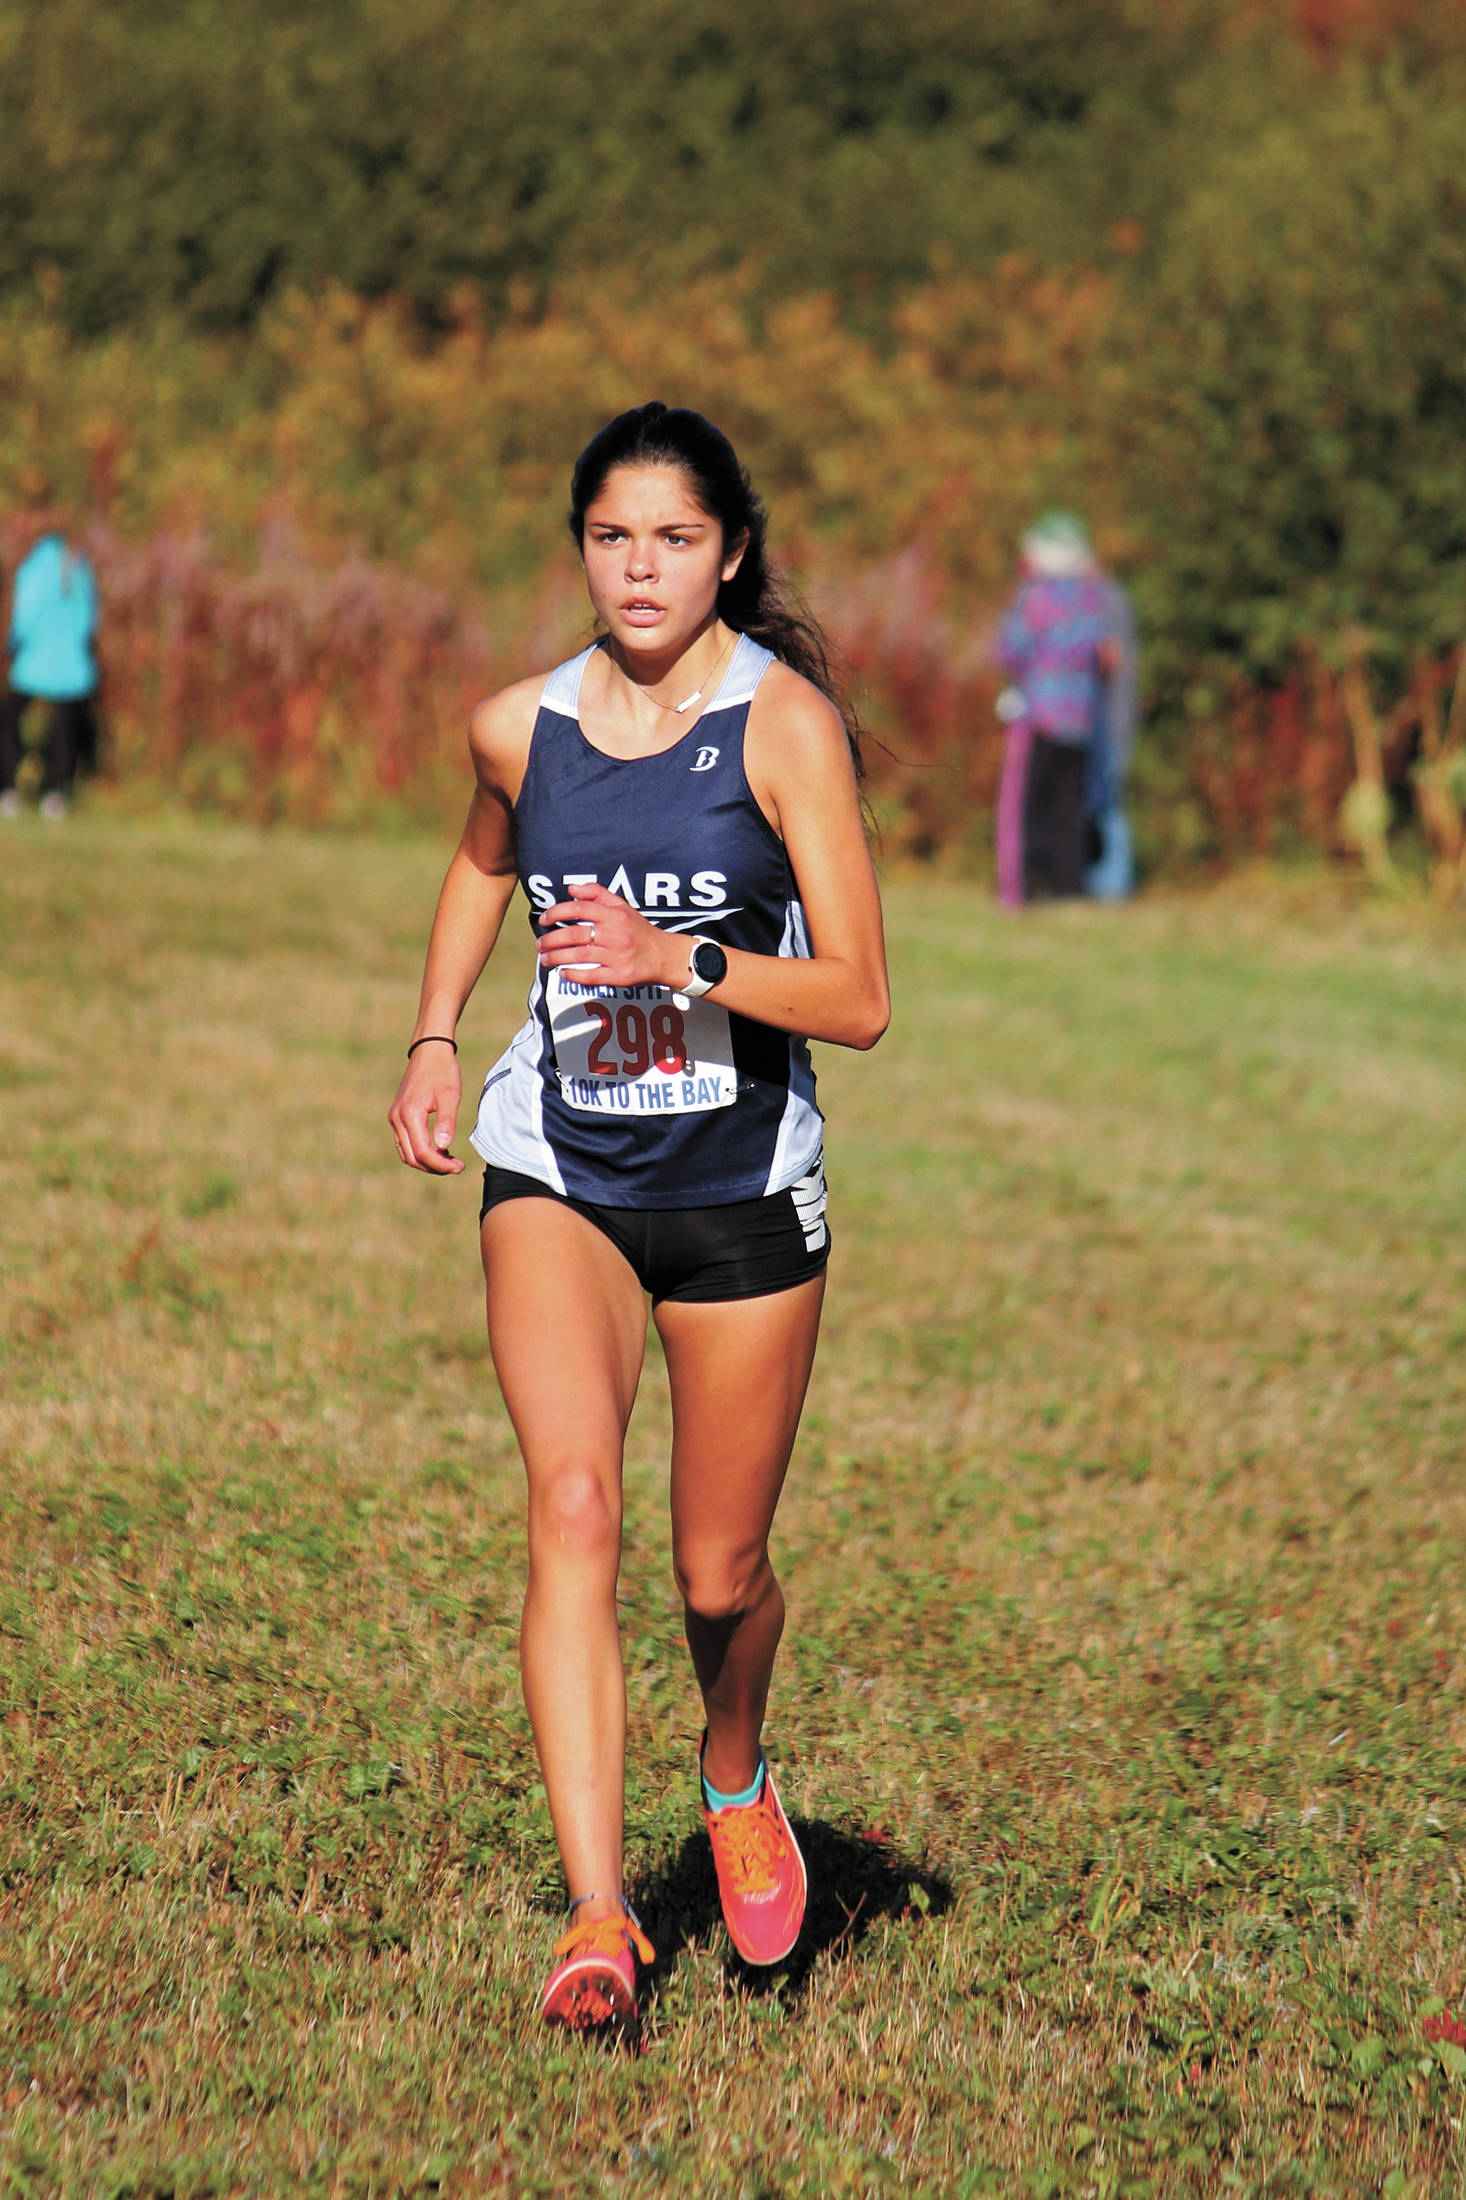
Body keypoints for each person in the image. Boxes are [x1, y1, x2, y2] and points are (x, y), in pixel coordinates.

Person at [387, 402, 890, 2033]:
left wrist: (680, 957)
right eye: (613, 537)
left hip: (739, 1188)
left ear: (730, 552)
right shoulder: (517, 727)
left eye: (676, 539)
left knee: (715, 1574)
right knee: (574, 1501)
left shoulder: (781, 727)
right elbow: (482, 862)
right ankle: (600, 1917)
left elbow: (864, 998)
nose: (643, 568)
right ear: (580, 548)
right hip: (564, 1168)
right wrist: (438, 1031)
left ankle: (733, 1772)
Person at [993, 512, 1117, 905]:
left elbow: (1012, 649)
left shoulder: (1034, 596)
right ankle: (1069, 887)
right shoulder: (1090, 598)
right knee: (1069, 807)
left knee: (1031, 806)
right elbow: (1098, 652)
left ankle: (1029, 885)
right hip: (1079, 717)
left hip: (1040, 715)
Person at [0, 527, 102, 820]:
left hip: (35, 661)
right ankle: (57, 794)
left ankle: (8, 788)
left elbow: (26, 615)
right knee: (64, 728)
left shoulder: (34, 567)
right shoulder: (81, 568)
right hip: (74, 665)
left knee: (8, 721)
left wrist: (12, 645)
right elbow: (90, 620)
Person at [1083, 570, 1139, 902]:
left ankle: (1115, 883)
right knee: (1099, 804)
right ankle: (1102, 879)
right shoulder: (1110, 596)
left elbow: (1111, 658)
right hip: (1104, 721)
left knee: (1110, 803)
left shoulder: (1107, 599)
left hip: (1111, 723)